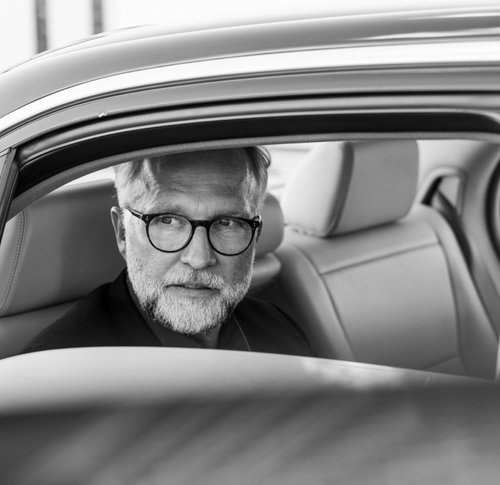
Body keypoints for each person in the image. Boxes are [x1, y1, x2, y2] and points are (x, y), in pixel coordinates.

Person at [21, 147, 313, 356]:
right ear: (122, 233)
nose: (199, 259)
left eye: (227, 223)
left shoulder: (279, 330)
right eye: (168, 221)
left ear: (255, 235)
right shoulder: (55, 375)